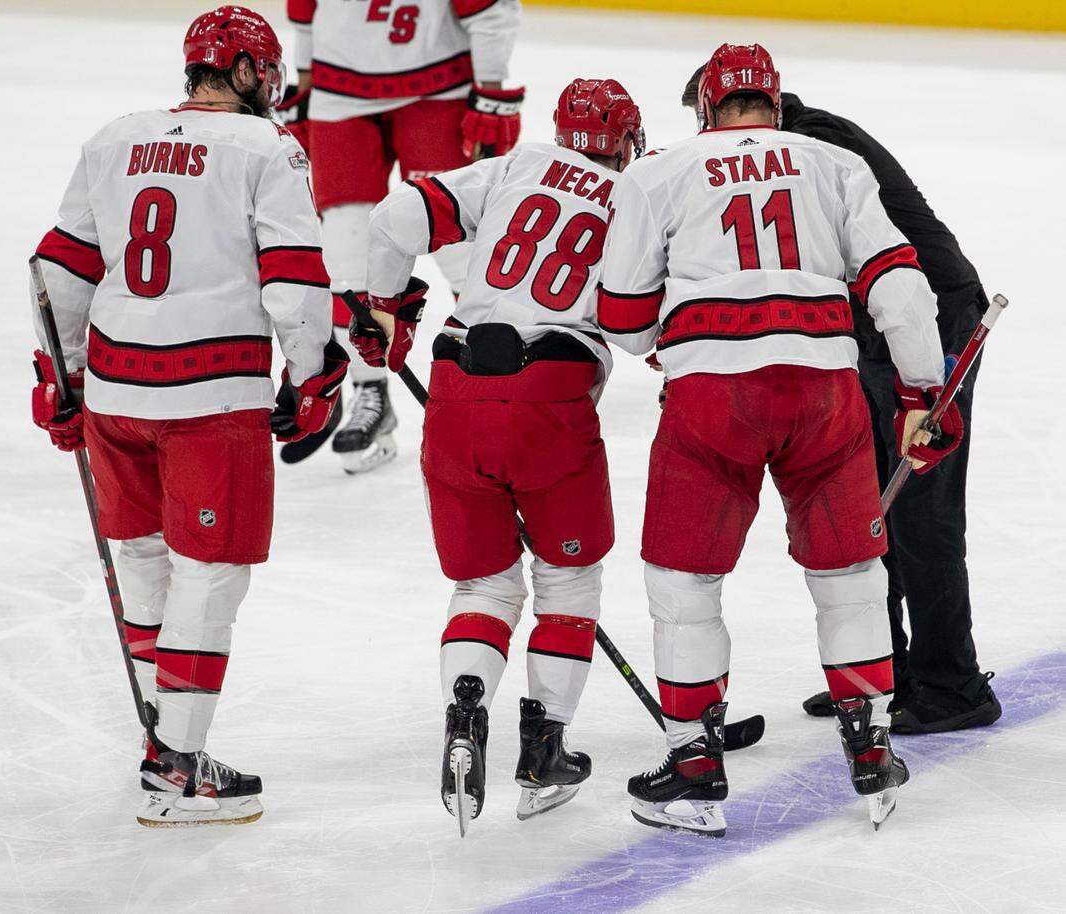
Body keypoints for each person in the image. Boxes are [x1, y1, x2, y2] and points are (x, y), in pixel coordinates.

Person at [599, 44, 964, 835]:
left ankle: (695, 768)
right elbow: (899, 287)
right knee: (852, 573)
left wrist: (689, 330)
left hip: (712, 401)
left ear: (706, 108)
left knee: (684, 584)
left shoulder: (658, 173)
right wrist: (921, 394)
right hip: (823, 390)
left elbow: (623, 324)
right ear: (774, 100)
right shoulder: (833, 162)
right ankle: (870, 750)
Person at [30, 6, 345, 826]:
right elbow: (295, 280)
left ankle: (163, 740)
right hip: (211, 397)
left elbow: (59, 267)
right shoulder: (268, 148)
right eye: (264, 73)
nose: (271, 90)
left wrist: (61, 376)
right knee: (209, 572)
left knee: (141, 558)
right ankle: (175, 767)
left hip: (114, 389)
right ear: (243, 70)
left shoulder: (114, 136)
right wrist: (312, 375)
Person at [352, 79, 645, 832]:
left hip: (456, 391)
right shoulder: (638, 194)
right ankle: (543, 754)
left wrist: (387, 307)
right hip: (552, 402)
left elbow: (394, 216)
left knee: (485, 585)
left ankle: (466, 714)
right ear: (627, 141)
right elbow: (640, 323)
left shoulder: (517, 165)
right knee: (568, 581)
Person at [677, 70, 1001, 736]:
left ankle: (951, 686)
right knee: (865, 501)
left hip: (927, 323)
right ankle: (882, 669)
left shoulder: (815, 150)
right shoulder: (788, 147)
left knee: (919, 511)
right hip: (874, 332)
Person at [278, 0, 523, 473]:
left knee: (462, 249)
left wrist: (491, 88)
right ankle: (369, 391)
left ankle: (496, 385)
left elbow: (490, 9)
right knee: (347, 252)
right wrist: (305, 86)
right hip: (337, 94)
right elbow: (306, 10)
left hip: (437, 88)